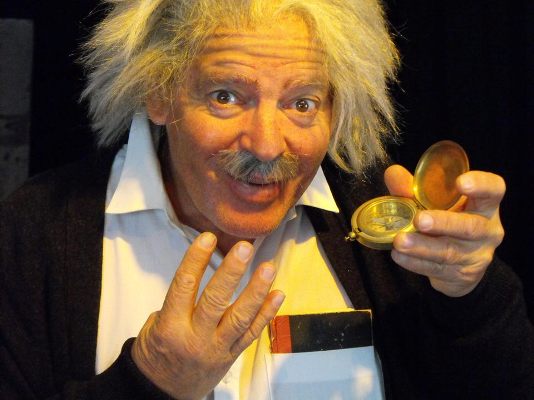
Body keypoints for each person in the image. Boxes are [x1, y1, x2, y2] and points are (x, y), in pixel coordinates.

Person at [1, 0, 533, 399]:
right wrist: (152, 382)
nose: (266, 145)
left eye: (302, 104)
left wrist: (470, 295)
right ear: (159, 93)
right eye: (226, 97)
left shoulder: (394, 236)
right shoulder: (34, 235)